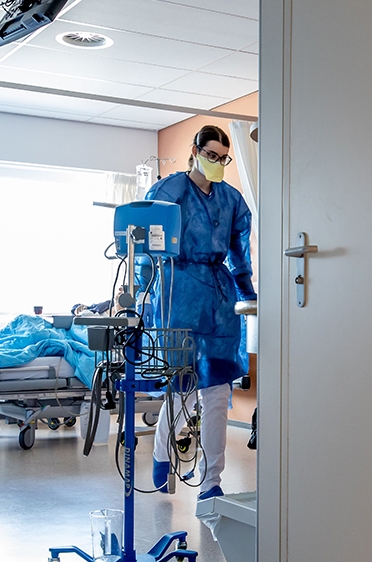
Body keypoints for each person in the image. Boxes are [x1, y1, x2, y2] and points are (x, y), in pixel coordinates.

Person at [142, 124, 256, 501]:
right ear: (195, 151)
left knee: (218, 395)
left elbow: (240, 248)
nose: (218, 164)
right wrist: (143, 295)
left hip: (219, 301)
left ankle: (211, 483)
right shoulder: (169, 191)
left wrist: (246, 289)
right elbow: (146, 244)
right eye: (211, 156)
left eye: (223, 158)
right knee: (183, 391)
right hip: (177, 295)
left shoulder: (232, 200)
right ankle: (161, 455)